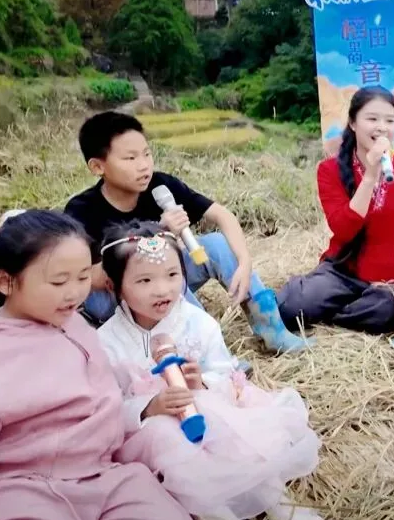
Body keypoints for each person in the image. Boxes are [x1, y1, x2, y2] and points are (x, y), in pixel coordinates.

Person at [0, 210, 199, 520]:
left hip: (101, 473)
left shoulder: (74, 326)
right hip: (20, 487)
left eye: (83, 277)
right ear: (4, 281)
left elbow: (109, 410)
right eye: (59, 282)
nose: (75, 293)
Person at [95, 222, 333, 520]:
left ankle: (278, 503)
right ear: (114, 285)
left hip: (207, 409)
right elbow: (107, 405)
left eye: (172, 275)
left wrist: (202, 382)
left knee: (233, 434)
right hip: (149, 432)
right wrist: (149, 407)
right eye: (145, 280)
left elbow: (223, 371)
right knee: (170, 442)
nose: (162, 289)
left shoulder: (197, 322)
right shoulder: (106, 342)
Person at [64, 111, 307, 354]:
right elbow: (87, 277)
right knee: (164, 271)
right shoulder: (82, 210)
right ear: (98, 166)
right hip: (109, 295)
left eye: (147, 154)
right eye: (130, 158)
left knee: (216, 244)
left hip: (159, 283)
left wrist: (244, 263)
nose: (144, 165)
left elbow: (223, 216)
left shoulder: (160, 186)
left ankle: (272, 330)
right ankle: (205, 354)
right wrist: (157, 237)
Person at [279, 87, 394, 335]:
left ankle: (337, 315)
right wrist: (370, 175)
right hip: (344, 272)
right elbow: (343, 229)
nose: (381, 127)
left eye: (390, 121)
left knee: (386, 311)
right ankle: (339, 304)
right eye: (372, 119)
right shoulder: (329, 170)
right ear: (352, 123)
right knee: (292, 307)